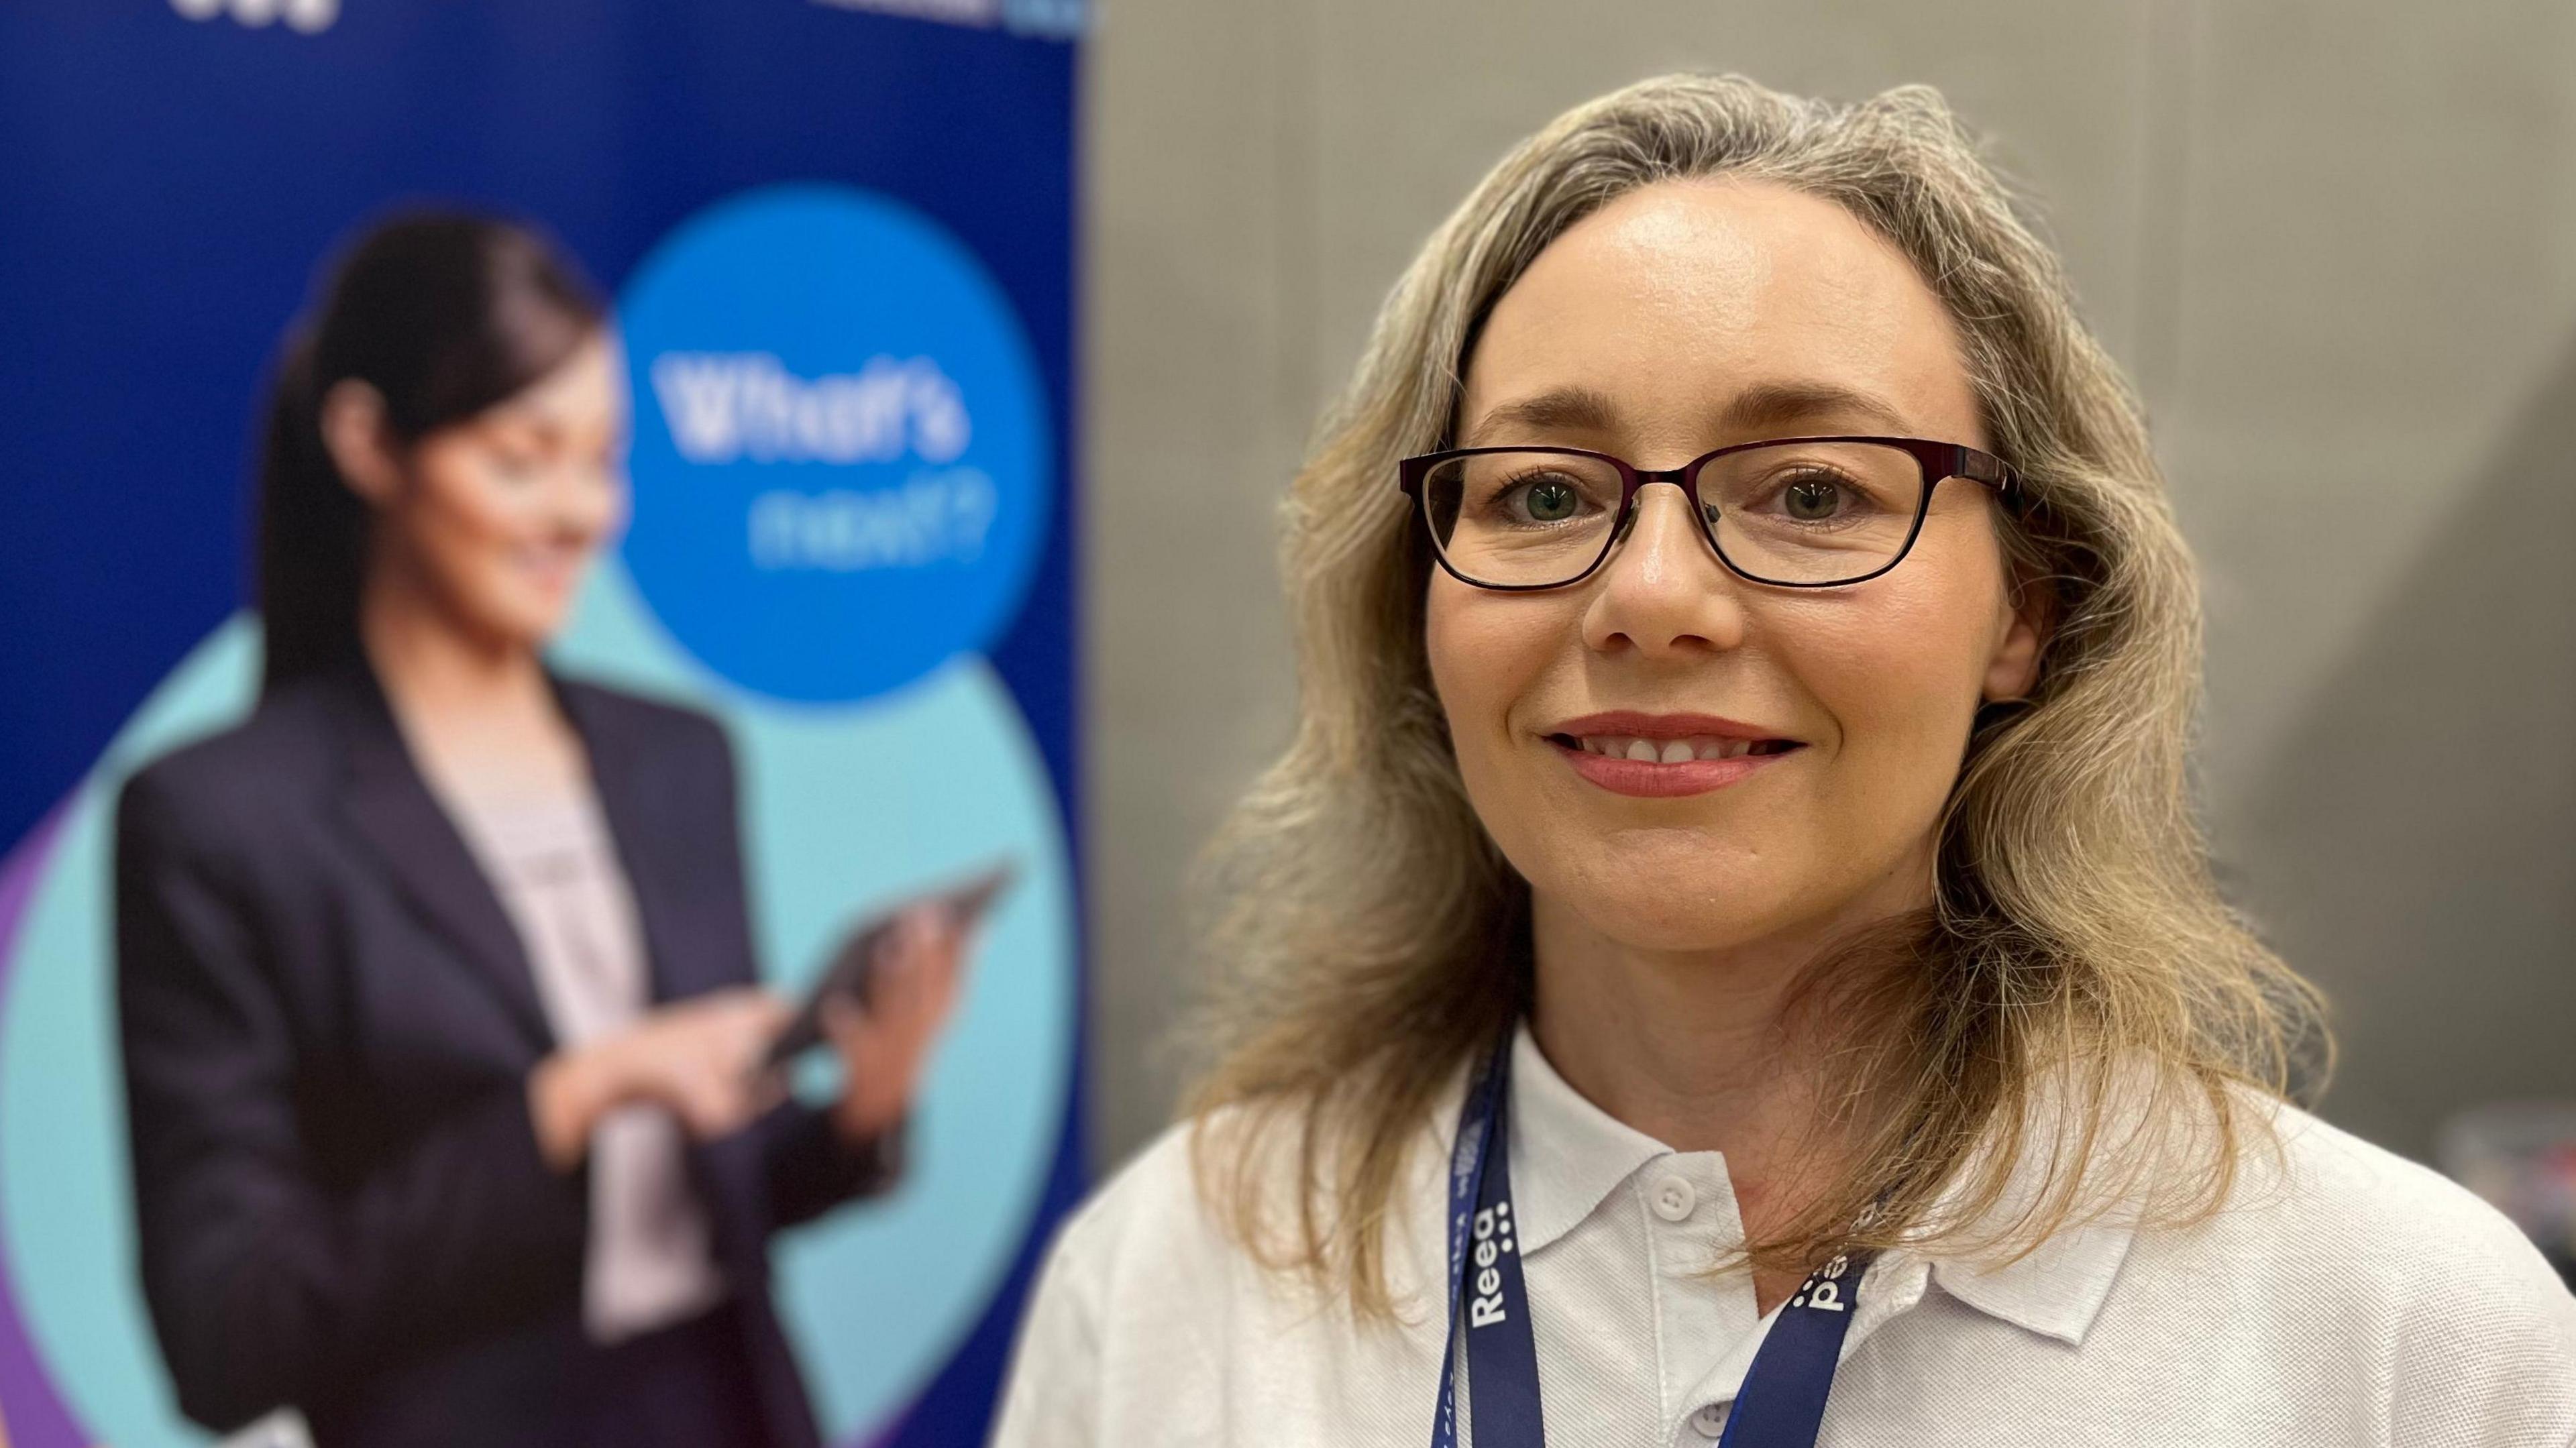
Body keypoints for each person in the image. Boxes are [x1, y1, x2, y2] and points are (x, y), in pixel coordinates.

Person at [992, 74, 2576, 1447]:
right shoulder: (1177, 1281)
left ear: (2028, 604)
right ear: (1417, 606)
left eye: (1811, 490)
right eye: (1542, 494)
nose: (1651, 600)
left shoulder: (2405, 1340)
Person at [115, 212, 966, 1448]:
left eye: (604, 460)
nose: (581, 512)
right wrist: (569, 1103)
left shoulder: (677, 757)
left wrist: (856, 1111)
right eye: (525, 458)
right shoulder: (220, 820)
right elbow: (229, 1332)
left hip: (727, 1410)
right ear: (367, 444)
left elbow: (698, 1202)